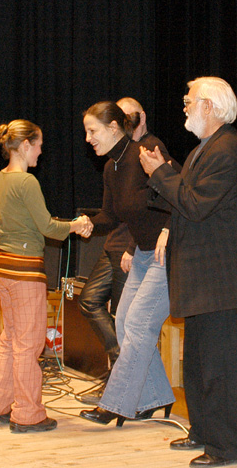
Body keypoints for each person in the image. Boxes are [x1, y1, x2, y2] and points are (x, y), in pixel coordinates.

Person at [139, 77, 237, 466]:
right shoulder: (204, 149)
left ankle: (227, 447)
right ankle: (205, 432)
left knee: (217, 368)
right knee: (197, 364)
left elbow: (195, 204)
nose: (185, 106)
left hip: (218, 277)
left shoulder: (227, 151)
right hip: (201, 276)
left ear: (209, 106)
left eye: (189, 101)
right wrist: (161, 177)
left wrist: (160, 172)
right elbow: (185, 203)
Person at [0, 119, 93, 433]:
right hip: (24, 272)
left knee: (10, 339)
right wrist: (76, 225)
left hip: (0, 267)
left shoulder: (0, 180)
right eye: (39, 145)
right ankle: (27, 414)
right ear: (26, 145)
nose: (41, 152)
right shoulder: (27, 182)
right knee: (29, 345)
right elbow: (47, 227)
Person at [78, 100, 179, 426]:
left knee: (137, 325)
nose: (88, 139)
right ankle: (155, 397)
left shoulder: (145, 153)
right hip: (144, 253)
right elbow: (111, 217)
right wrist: (87, 223)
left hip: (168, 253)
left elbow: (182, 194)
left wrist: (167, 230)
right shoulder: (111, 168)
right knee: (123, 322)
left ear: (113, 128)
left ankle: (115, 404)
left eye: (92, 131)